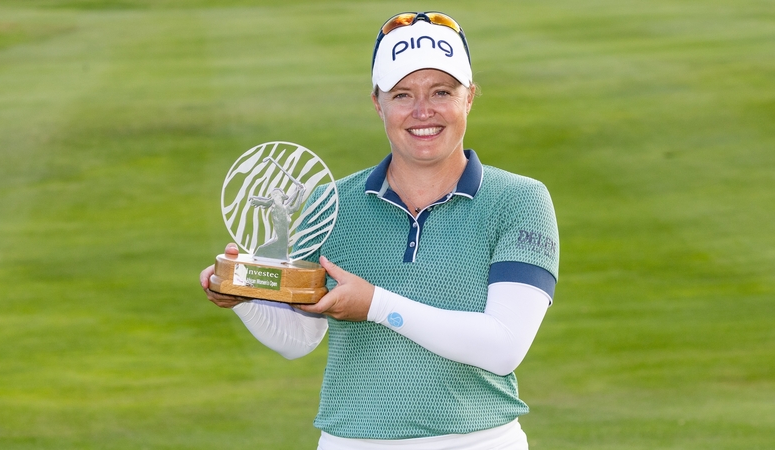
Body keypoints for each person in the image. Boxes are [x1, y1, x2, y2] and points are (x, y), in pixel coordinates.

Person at [200, 11, 559, 450]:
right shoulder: (331, 204)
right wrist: (245, 296)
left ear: (469, 98)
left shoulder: (519, 200)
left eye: (442, 91)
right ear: (378, 103)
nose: (423, 111)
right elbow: (299, 338)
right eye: (402, 94)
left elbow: (503, 346)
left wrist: (375, 304)